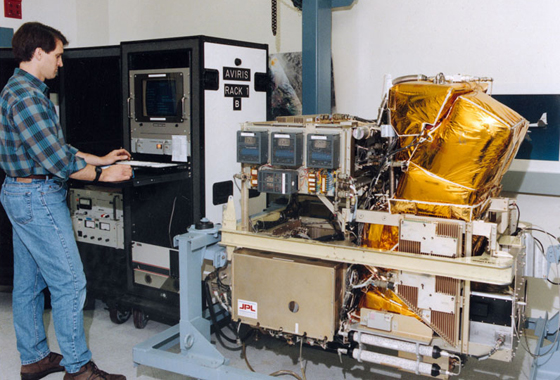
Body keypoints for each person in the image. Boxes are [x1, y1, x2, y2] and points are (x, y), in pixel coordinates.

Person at [0, 22, 132, 380]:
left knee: (28, 284)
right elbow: (56, 161)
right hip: (37, 196)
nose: (61, 63)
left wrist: (98, 159)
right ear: (38, 53)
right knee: (71, 283)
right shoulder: (27, 97)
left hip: (22, 192)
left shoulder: (24, 90)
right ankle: (78, 369)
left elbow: (56, 147)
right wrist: (105, 176)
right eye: (58, 55)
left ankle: (34, 358)